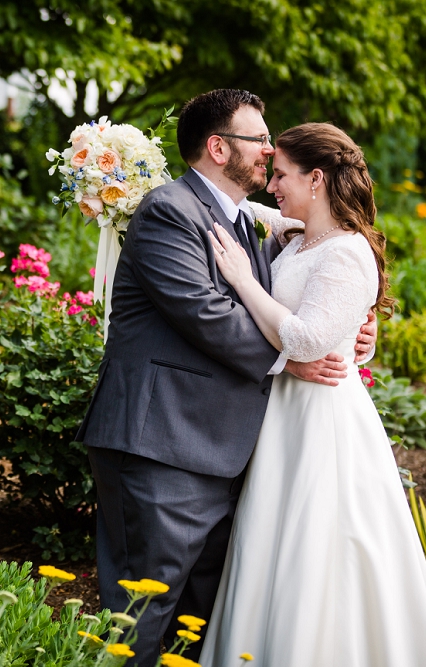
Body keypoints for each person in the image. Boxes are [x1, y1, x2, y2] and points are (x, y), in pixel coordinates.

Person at [75, 90, 376, 666]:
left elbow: (329, 272)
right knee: (140, 615)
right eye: (259, 139)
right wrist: (294, 359)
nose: (269, 150)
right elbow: (205, 314)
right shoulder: (170, 211)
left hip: (226, 451)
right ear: (218, 148)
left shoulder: (248, 223)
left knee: (201, 623)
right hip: (162, 444)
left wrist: (355, 331)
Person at [197, 123, 426, 666]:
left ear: (317, 178)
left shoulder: (348, 252)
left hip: (322, 418)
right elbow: (249, 213)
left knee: (321, 542)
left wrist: (243, 280)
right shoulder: (298, 237)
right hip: (283, 414)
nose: (271, 184)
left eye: (280, 175)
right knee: (273, 540)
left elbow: (307, 338)